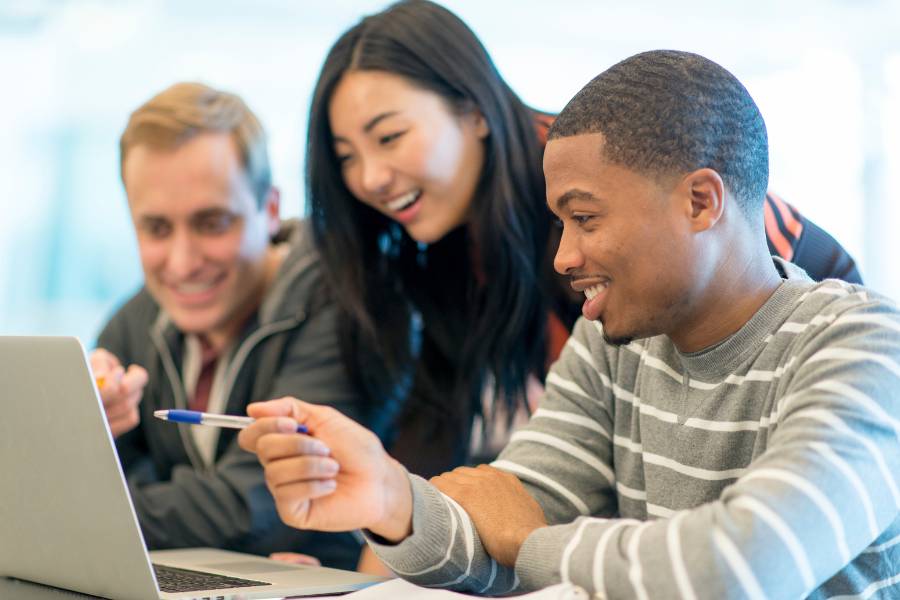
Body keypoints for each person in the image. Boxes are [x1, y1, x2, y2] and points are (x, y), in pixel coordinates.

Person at [238, 49, 900, 598]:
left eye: (584, 218)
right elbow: (506, 516)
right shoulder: (615, 342)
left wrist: (531, 541)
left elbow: (741, 570)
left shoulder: (864, 346)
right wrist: (388, 498)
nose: (563, 257)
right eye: (559, 222)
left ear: (700, 202)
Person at [303, 0, 862, 486]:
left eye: (390, 137)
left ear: (473, 112)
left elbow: (738, 258)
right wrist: (385, 541)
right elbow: (442, 427)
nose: (370, 178)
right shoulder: (436, 240)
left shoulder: (585, 176)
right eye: (346, 156)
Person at [91, 82, 363, 568]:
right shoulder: (135, 320)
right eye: (156, 228)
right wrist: (89, 435)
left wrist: (80, 515)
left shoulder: (341, 305)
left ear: (271, 209)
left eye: (212, 223)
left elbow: (255, 506)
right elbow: (87, 481)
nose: (182, 263)